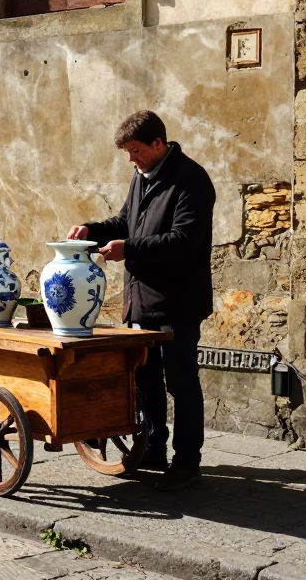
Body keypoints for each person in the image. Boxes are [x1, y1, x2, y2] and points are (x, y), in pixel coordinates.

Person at [69, 110, 215, 491]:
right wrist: (92, 229)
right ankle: (153, 449)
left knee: (181, 383)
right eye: (127, 153)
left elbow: (183, 241)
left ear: (158, 144)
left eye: (135, 151)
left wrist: (128, 250)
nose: (130, 159)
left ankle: (187, 462)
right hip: (141, 301)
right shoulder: (141, 177)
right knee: (146, 379)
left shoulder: (192, 181)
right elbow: (125, 222)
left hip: (178, 303)